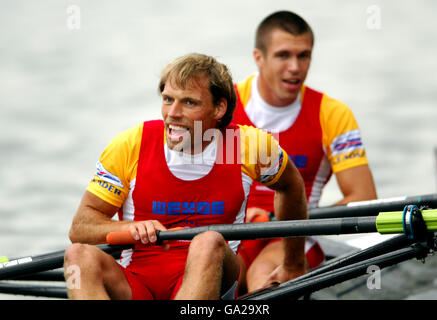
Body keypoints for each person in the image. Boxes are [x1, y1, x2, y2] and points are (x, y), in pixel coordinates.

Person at [63, 53, 309, 300]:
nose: (173, 113)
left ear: (219, 108)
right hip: (138, 283)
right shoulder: (133, 145)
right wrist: (130, 227)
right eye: (168, 99)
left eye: (189, 102)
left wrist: (294, 264)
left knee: (207, 241)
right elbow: (80, 227)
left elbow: (291, 186)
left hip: (215, 276)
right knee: (77, 255)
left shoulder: (242, 145)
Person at [233, 11, 378, 293]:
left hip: (297, 234)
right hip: (236, 230)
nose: (295, 67)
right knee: (219, 274)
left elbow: (364, 198)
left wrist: (279, 218)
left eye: (304, 56)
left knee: (264, 275)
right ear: (258, 58)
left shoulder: (332, 114)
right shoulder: (225, 109)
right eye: (283, 55)